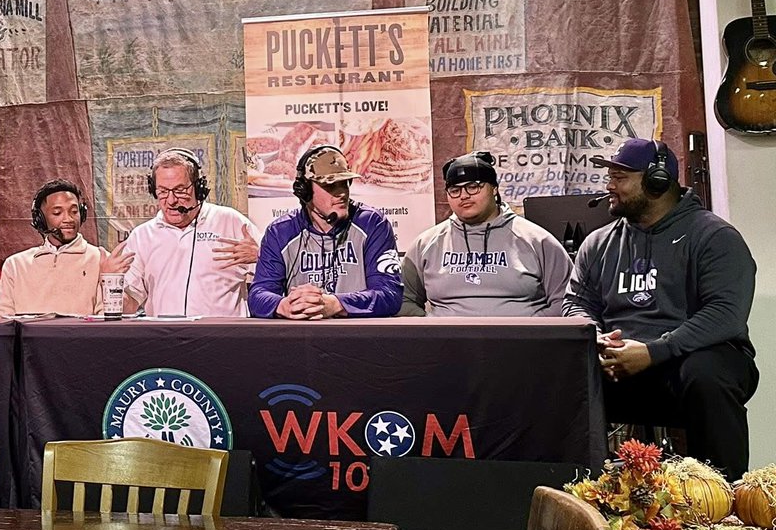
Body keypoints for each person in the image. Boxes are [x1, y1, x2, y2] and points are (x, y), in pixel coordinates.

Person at [563, 138, 759, 480]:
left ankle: (722, 493)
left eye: (620, 177)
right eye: (610, 176)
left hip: (688, 360)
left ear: (657, 181)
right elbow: (577, 302)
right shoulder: (598, 243)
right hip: (617, 363)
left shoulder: (714, 236)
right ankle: (572, 490)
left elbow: (725, 314)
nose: (609, 186)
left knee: (706, 374)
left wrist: (654, 351)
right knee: (555, 373)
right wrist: (595, 338)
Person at [399, 152, 572, 316]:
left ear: (494, 189)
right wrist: (429, 326)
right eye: (455, 190)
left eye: (473, 187)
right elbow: (403, 299)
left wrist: (536, 330)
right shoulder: (426, 244)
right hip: (446, 338)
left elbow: (567, 300)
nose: (463, 195)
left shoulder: (536, 240)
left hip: (523, 337)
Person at [249, 145, 403, 319]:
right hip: (302, 335)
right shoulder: (280, 232)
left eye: (344, 183)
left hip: (359, 334)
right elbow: (258, 295)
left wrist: (336, 304)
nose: (341, 193)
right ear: (305, 191)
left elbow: (390, 294)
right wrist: (284, 305)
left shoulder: (372, 223)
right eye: (330, 185)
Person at [122, 148, 258, 317]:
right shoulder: (141, 236)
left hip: (224, 333)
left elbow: (274, 278)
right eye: (163, 191)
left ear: (199, 188)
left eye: (180, 190)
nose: (171, 200)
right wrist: (109, 281)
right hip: (164, 334)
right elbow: (129, 306)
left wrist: (260, 256)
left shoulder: (230, 222)